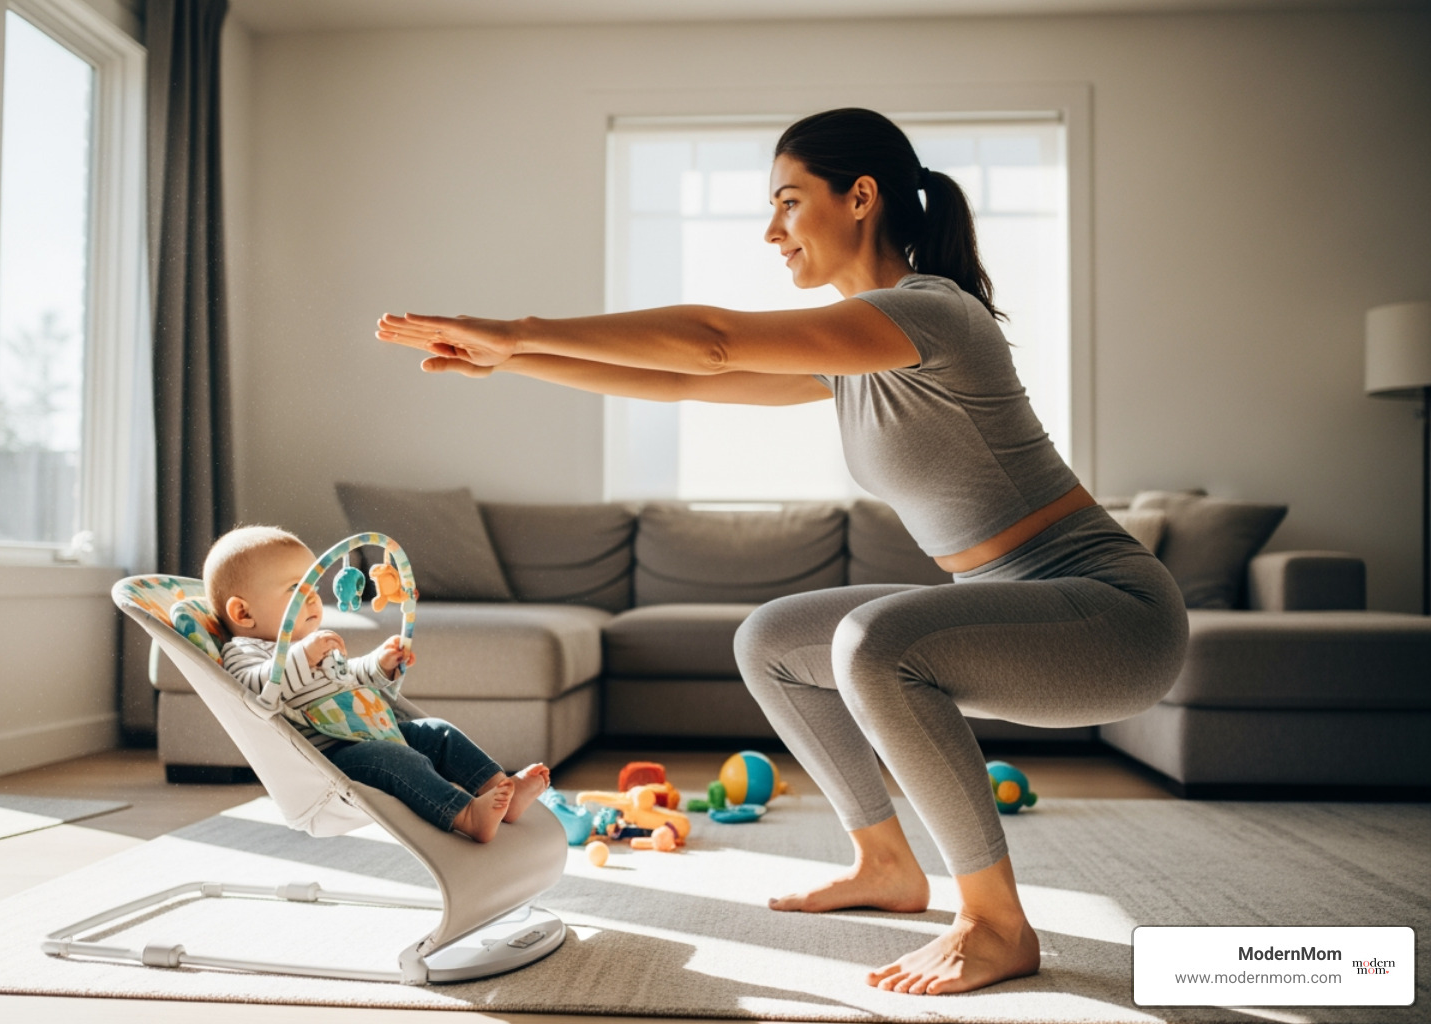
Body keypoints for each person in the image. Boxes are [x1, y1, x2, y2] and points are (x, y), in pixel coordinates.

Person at [373, 107, 1187, 994]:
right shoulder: (857, 352)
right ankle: (886, 865)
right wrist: (512, 359)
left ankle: (994, 922)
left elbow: (714, 341)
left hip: (1112, 616)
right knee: (772, 638)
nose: (773, 231)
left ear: (861, 198)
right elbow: (683, 379)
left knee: (874, 643)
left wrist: (520, 325)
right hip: (1029, 602)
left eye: (790, 203)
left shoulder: (931, 314)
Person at [203, 525, 550, 843]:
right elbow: (254, 692)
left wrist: (379, 665)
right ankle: (465, 814)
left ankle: (501, 786)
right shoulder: (243, 652)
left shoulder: (312, 646)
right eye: (296, 590)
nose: (311, 598)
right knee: (394, 759)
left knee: (436, 732)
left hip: (375, 730)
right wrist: (301, 658)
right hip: (336, 758)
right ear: (243, 614)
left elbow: (348, 679)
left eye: (311, 587)